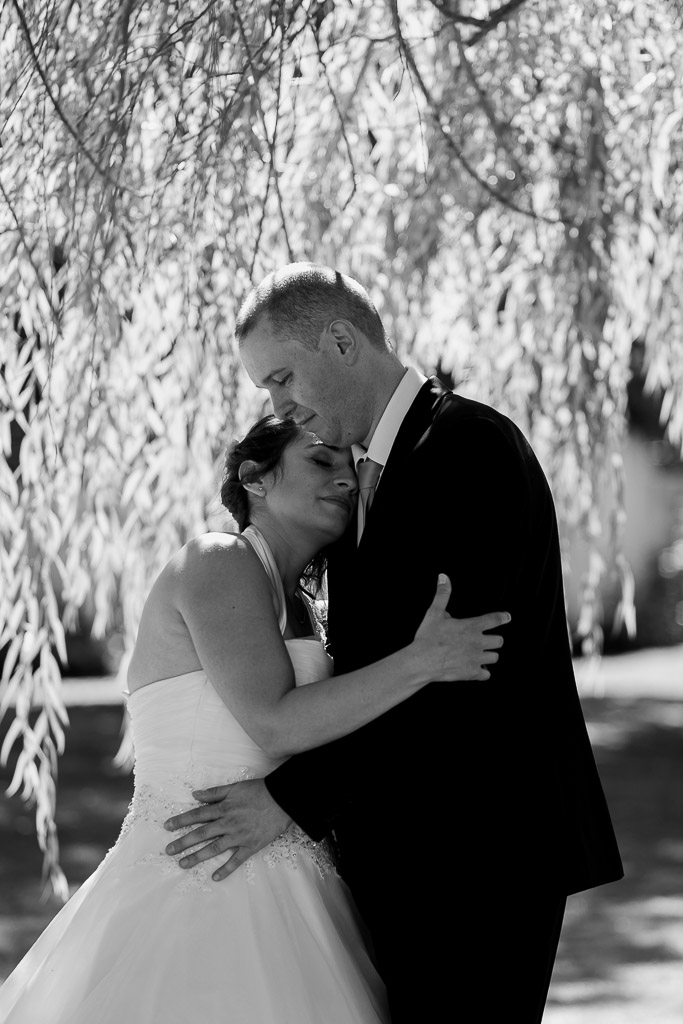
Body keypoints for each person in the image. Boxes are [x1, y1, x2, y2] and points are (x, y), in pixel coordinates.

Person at [164, 263, 624, 1024]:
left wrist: (285, 801)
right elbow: (381, 667)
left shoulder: (465, 449)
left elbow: (453, 676)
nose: (279, 405)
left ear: (341, 341)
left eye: (282, 378)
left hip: (480, 856)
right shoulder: (363, 482)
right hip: (398, 856)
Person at [0, 415, 510, 1024]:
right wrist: (423, 662)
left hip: (299, 885)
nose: (346, 479)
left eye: (351, 468)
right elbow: (276, 723)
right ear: (256, 478)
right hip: (195, 882)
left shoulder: (310, 606)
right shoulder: (216, 561)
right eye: (322, 462)